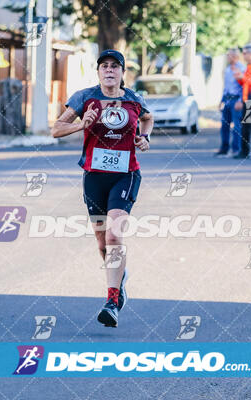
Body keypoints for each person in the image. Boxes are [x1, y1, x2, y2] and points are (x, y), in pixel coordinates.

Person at [51, 49, 153, 328]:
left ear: (122, 72)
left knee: (113, 236)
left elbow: (147, 118)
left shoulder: (133, 99)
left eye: (115, 66)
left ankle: (112, 301)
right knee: (101, 243)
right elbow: (56, 129)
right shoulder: (85, 97)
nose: (109, 70)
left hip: (126, 174)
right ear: (99, 71)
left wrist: (144, 138)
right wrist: (80, 125)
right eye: (104, 66)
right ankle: (119, 278)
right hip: (94, 177)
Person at [215, 48, 245, 157]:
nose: (227, 58)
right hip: (227, 99)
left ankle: (236, 149)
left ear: (235, 56)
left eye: (229, 56)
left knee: (237, 126)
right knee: (224, 125)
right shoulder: (227, 69)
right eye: (227, 55)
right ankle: (224, 148)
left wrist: (240, 100)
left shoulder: (241, 68)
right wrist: (221, 100)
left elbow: (244, 86)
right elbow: (226, 87)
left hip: (236, 100)